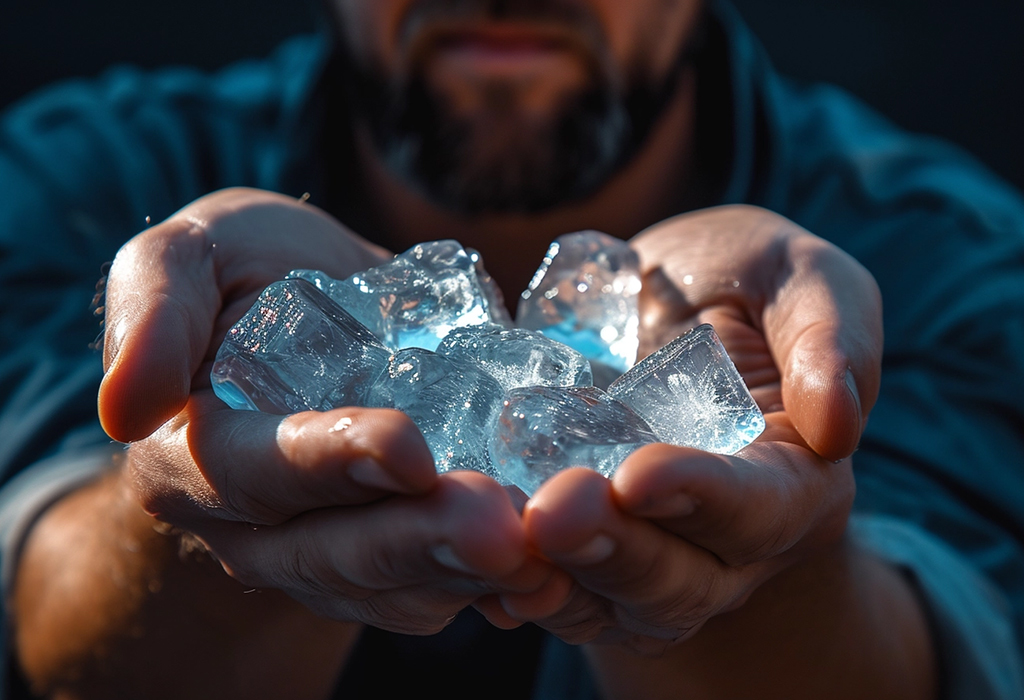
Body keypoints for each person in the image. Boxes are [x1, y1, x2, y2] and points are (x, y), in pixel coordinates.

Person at [1, 0, 1023, 698]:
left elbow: (979, 645)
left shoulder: (954, 257)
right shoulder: (68, 184)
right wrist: (182, 514)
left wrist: (779, 572)